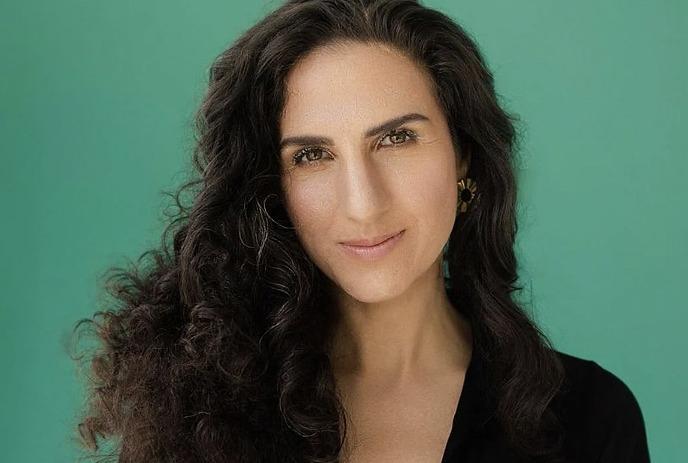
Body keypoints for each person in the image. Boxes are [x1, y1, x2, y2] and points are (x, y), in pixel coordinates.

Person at [70, 1, 651, 462]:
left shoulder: (590, 419)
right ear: (271, 187)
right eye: (313, 155)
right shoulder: (200, 410)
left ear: (464, 156)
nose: (362, 202)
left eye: (396, 139)